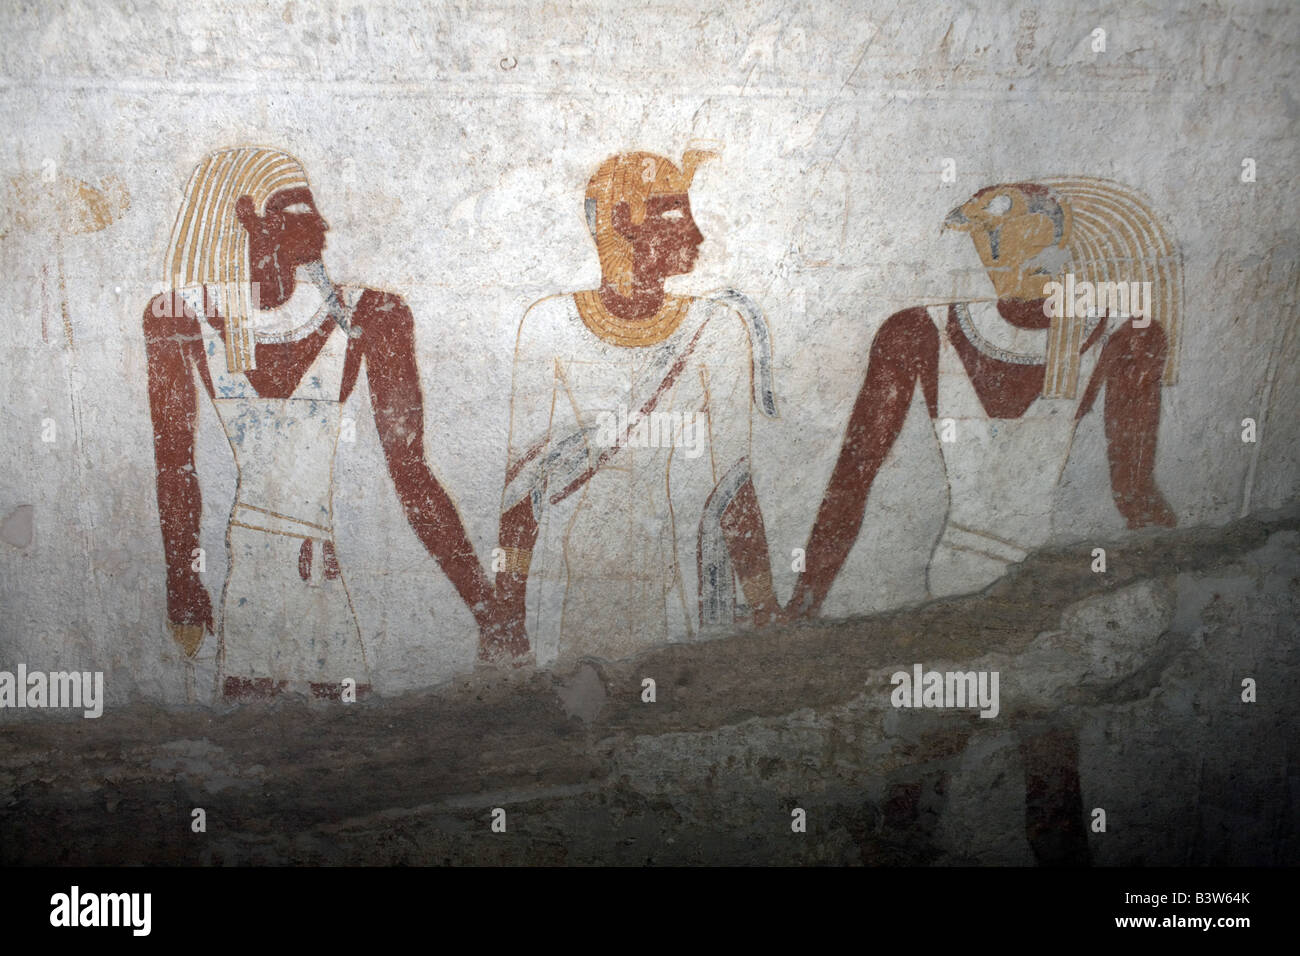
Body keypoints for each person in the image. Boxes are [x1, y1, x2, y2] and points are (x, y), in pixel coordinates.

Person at [144, 146, 513, 699]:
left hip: (319, 561)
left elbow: (410, 474)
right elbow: (175, 464)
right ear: (247, 217)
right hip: (252, 568)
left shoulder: (374, 315)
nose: (322, 224)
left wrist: (484, 603)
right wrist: (182, 578)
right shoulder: (176, 319)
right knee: (253, 742)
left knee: (340, 741)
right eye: (297, 211)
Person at [787, 178, 1181, 614]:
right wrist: (803, 607)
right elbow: (851, 480)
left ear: (1051, 234)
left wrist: (1174, 589)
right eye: (983, 236)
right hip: (958, 583)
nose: (991, 250)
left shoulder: (1128, 335)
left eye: (1002, 231)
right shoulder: (915, 330)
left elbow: (1134, 492)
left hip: (1054, 590)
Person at [494, 148, 781, 664]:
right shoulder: (548, 326)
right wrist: (506, 621)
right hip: (575, 566)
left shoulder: (715, 327)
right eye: (677, 216)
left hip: (666, 563)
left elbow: (733, 490)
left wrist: (765, 611)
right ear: (624, 221)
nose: (696, 234)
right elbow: (522, 492)